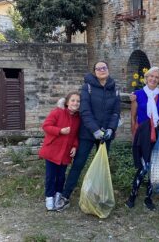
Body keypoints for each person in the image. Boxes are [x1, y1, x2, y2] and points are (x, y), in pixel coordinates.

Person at [57, 61, 121, 211]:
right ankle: (65, 196)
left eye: (104, 67)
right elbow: (85, 111)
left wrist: (110, 129)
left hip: (105, 135)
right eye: (98, 68)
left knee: (102, 166)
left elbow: (116, 112)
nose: (101, 70)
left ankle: (97, 197)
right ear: (94, 72)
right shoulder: (88, 87)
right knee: (78, 164)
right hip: (87, 133)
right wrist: (95, 130)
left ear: (108, 70)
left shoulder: (114, 89)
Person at [125, 67, 159, 211]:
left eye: (157, 77)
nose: (153, 79)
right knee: (143, 166)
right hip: (142, 133)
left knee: (152, 166)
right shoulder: (137, 94)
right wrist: (133, 134)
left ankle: (148, 198)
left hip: (157, 132)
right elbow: (133, 117)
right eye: (151, 76)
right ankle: (132, 196)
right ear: (146, 78)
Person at [38, 92, 81, 211]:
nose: (75, 103)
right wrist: (60, 130)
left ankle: (58, 196)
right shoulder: (57, 112)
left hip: (65, 153)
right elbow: (46, 126)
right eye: (73, 100)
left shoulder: (78, 118)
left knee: (61, 176)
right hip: (53, 150)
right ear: (67, 102)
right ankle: (49, 197)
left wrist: (74, 146)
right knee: (50, 176)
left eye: (78, 101)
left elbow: (76, 135)